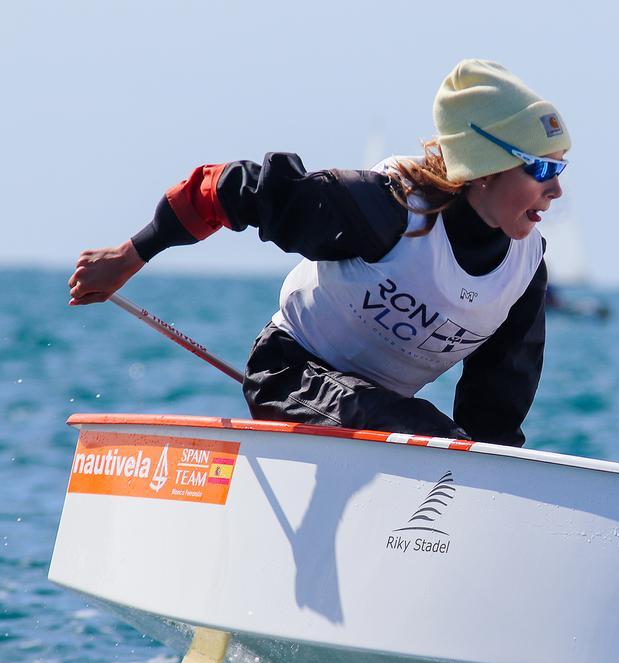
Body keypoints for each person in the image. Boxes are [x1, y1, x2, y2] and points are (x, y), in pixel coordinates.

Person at [67, 59, 569, 448]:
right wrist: (131, 255)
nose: (556, 192)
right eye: (542, 172)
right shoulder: (388, 210)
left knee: (460, 445)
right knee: (428, 436)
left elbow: (495, 411)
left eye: (561, 171)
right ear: (486, 168)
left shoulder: (523, 274)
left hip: (378, 412)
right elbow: (232, 189)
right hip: (289, 374)